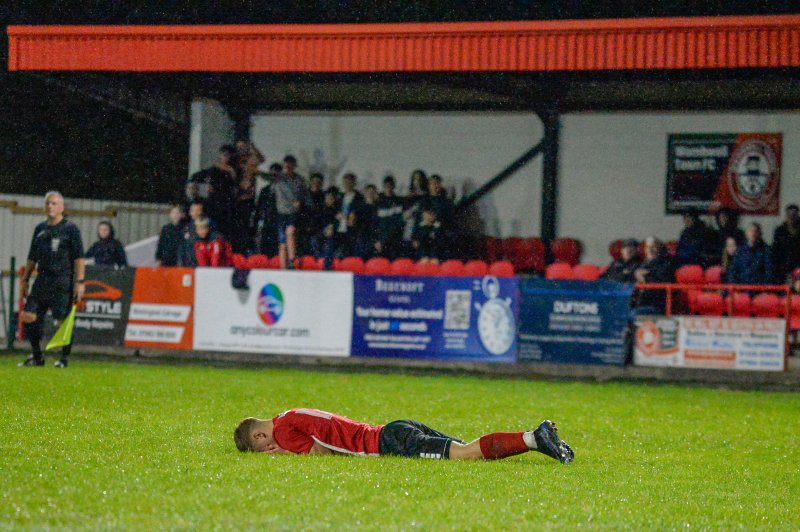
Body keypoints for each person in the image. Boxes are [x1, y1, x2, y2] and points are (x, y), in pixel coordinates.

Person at [234, 408, 573, 463]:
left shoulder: (283, 431)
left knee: (464, 453)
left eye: (261, 446)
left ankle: (534, 437)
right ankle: (544, 443)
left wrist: (287, 457)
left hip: (388, 442)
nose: (269, 448)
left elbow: (321, 455)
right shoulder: (288, 415)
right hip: (394, 428)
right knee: (467, 458)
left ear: (260, 437)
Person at [18, 191, 85, 368]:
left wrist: (79, 283)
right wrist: (25, 278)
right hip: (42, 281)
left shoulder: (70, 229)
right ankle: (37, 356)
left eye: (54, 203)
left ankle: (63, 359)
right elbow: (32, 256)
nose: (50, 206)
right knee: (28, 316)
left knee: (62, 321)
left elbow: (79, 258)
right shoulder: (40, 229)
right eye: (48, 203)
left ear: (62, 207)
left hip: (62, 282)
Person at [272, 155, 307, 269]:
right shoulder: (278, 178)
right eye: (286, 165)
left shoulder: (299, 180)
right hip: (281, 213)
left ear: (294, 166)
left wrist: (300, 201)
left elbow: (304, 195)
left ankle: (293, 261)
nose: (287, 167)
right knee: (282, 244)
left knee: (290, 232)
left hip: (292, 213)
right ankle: (283, 267)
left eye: (290, 165)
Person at [633, 237, 675, 314]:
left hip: (656, 306)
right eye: (647, 247)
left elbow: (661, 285)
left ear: (659, 248)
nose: (650, 250)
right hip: (640, 305)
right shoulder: (642, 264)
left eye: (653, 247)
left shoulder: (666, 264)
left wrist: (643, 279)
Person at [254, 162, 283, 257]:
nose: (273, 177)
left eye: (275, 174)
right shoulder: (264, 190)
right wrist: (256, 224)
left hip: (279, 223)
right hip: (266, 223)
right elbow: (259, 208)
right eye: (271, 174)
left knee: (278, 250)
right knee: (264, 249)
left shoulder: (283, 190)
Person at [336, 173, 366, 257]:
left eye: (349, 182)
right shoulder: (339, 196)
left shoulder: (359, 198)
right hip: (338, 230)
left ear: (354, 183)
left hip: (352, 231)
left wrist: (348, 217)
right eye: (345, 182)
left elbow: (359, 215)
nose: (347, 184)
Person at [375, 175, 405, 259]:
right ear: (383, 187)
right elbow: (375, 223)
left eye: (390, 186)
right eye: (386, 186)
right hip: (381, 241)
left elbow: (399, 222)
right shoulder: (378, 202)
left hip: (395, 241)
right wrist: (377, 240)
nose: (388, 188)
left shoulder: (399, 202)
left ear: (393, 186)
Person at [771, 204, 800, 284]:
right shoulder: (779, 231)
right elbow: (775, 251)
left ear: (797, 215)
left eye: (794, 214)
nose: (792, 217)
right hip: (783, 269)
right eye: (789, 214)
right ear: (786, 215)